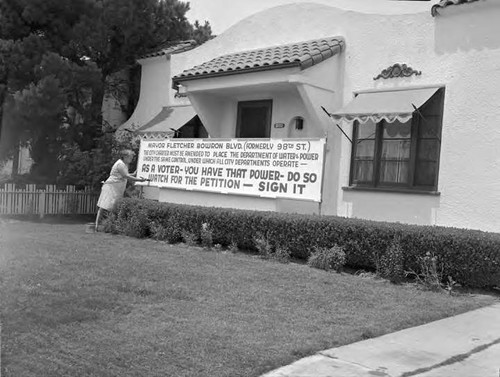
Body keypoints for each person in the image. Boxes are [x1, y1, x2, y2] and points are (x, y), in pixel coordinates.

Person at [95, 149, 146, 231]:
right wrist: (139, 180)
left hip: (117, 188)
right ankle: (97, 225)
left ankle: (110, 225)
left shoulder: (124, 164)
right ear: (125, 157)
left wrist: (136, 173)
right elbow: (126, 176)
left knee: (113, 206)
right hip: (111, 187)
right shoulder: (120, 164)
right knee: (104, 206)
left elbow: (127, 175)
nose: (131, 159)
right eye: (130, 157)